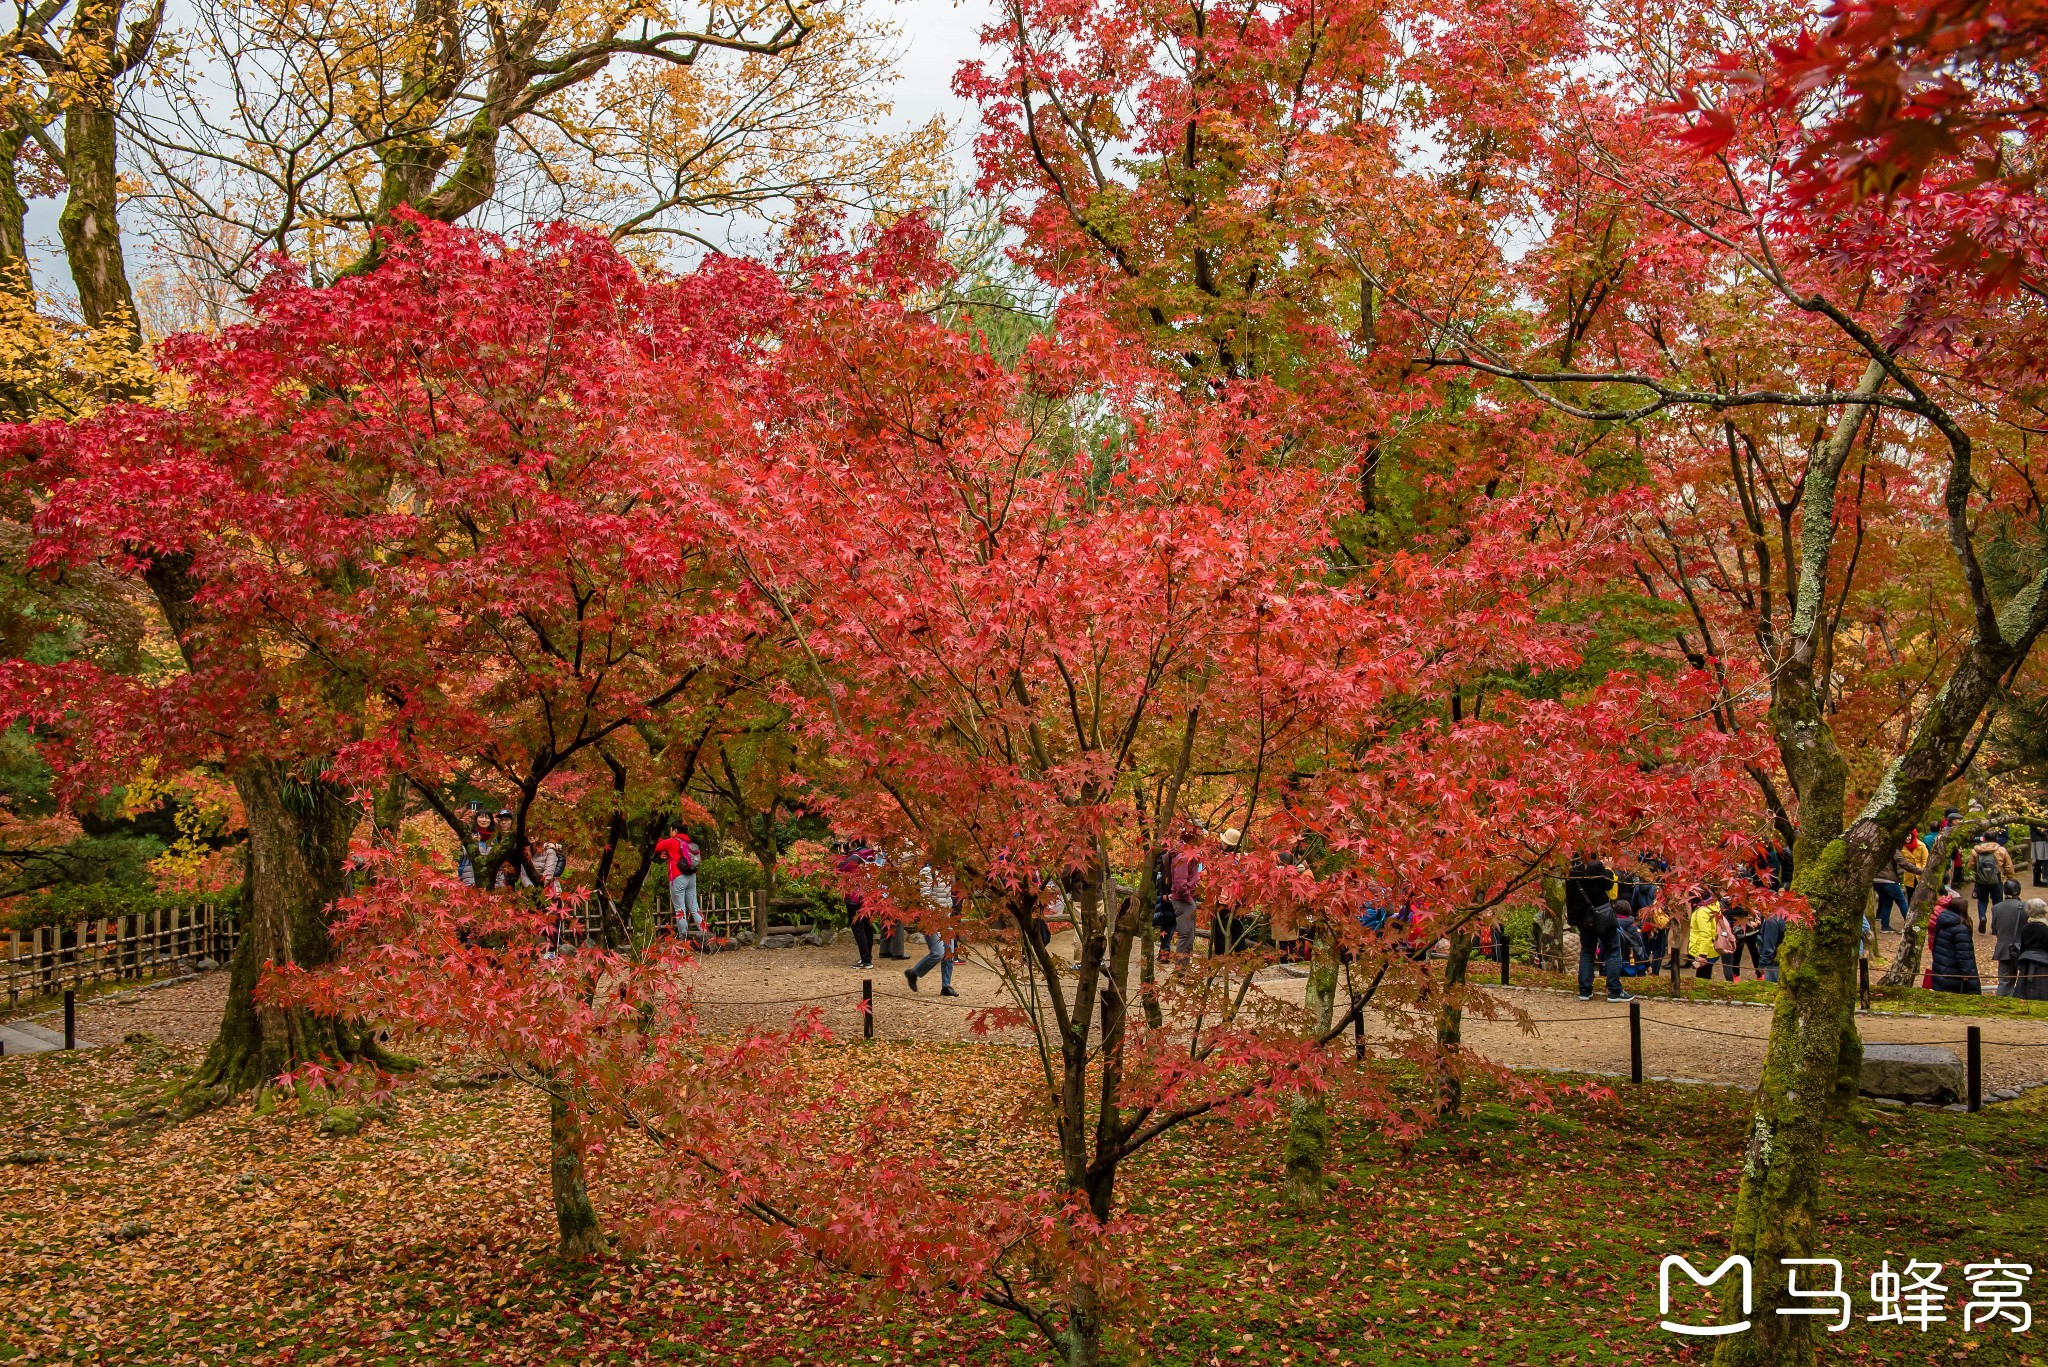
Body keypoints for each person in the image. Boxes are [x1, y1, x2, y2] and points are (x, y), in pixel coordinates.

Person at [906, 863, 959, 996]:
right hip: (931, 920)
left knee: (949, 952)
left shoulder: (948, 871)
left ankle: (946, 985)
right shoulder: (927, 871)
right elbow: (925, 897)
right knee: (938, 952)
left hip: (946, 918)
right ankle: (914, 973)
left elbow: (949, 895)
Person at [1577, 897, 1635, 1002]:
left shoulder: (1571, 879)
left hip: (1582, 912)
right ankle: (1614, 990)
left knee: (1587, 951)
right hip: (1602, 910)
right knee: (1613, 949)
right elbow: (1610, 889)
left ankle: (1584, 990)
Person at [1928, 893, 1982, 994]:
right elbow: (1964, 954)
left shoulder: (1942, 922)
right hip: (1953, 974)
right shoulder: (1961, 929)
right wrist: (1967, 975)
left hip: (1941, 969)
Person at [653, 825, 701, 938]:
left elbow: (654, 847)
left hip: (677, 877)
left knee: (680, 909)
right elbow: (665, 843)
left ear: (675, 831)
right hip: (691, 876)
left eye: (670, 830)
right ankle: (706, 935)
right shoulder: (689, 843)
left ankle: (682, 938)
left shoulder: (671, 842)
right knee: (695, 908)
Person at [839, 840, 878, 969]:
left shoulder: (854, 858)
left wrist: (842, 854)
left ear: (853, 844)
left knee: (858, 927)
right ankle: (868, 957)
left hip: (855, 896)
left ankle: (865, 960)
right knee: (868, 927)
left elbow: (839, 868)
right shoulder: (872, 855)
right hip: (870, 896)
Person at [1164, 839, 1202, 963]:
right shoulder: (1183, 856)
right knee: (1185, 936)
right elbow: (1180, 884)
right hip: (1183, 900)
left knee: (1188, 937)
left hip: (1186, 899)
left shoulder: (1187, 854)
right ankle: (1181, 972)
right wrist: (1188, 898)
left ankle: (1184, 970)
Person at [1970, 833, 2017, 932]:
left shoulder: (1976, 850)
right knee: (1998, 902)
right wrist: (2011, 878)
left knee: (1982, 901)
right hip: (1997, 879)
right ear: (1996, 838)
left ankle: (1982, 917)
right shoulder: (2001, 850)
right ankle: (1995, 925)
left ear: (1984, 839)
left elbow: (1970, 865)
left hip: (1981, 880)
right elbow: (2008, 866)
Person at [1989, 880, 2029, 997]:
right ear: (2018, 890)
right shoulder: (2026, 907)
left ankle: (2001, 1006)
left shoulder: (1996, 908)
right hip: (2023, 949)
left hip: (2004, 948)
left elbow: (1994, 930)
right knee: (2025, 980)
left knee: (2005, 981)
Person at [1872, 843, 1910, 933]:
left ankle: (1885, 926)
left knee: (1887, 902)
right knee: (1901, 901)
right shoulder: (1892, 848)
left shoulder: (1876, 847)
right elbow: (1904, 863)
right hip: (1889, 880)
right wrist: (1920, 871)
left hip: (1876, 880)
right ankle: (1910, 925)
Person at [2014, 903, 2048, 1001]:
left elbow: (2023, 946)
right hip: (2043, 963)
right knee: (2042, 990)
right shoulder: (2046, 928)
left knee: (2025, 991)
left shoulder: (2026, 928)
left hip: (2027, 963)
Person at [1687, 892, 1724, 980]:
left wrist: (1702, 955)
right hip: (1710, 948)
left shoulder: (1702, 911)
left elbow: (1705, 934)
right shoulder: (1714, 904)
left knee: (1702, 978)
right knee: (1705, 976)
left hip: (1705, 951)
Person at [1754, 909, 1787, 984]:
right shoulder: (1786, 915)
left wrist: (1763, 965)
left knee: (1772, 989)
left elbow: (1769, 948)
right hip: (1783, 960)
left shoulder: (1771, 920)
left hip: (1773, 964)